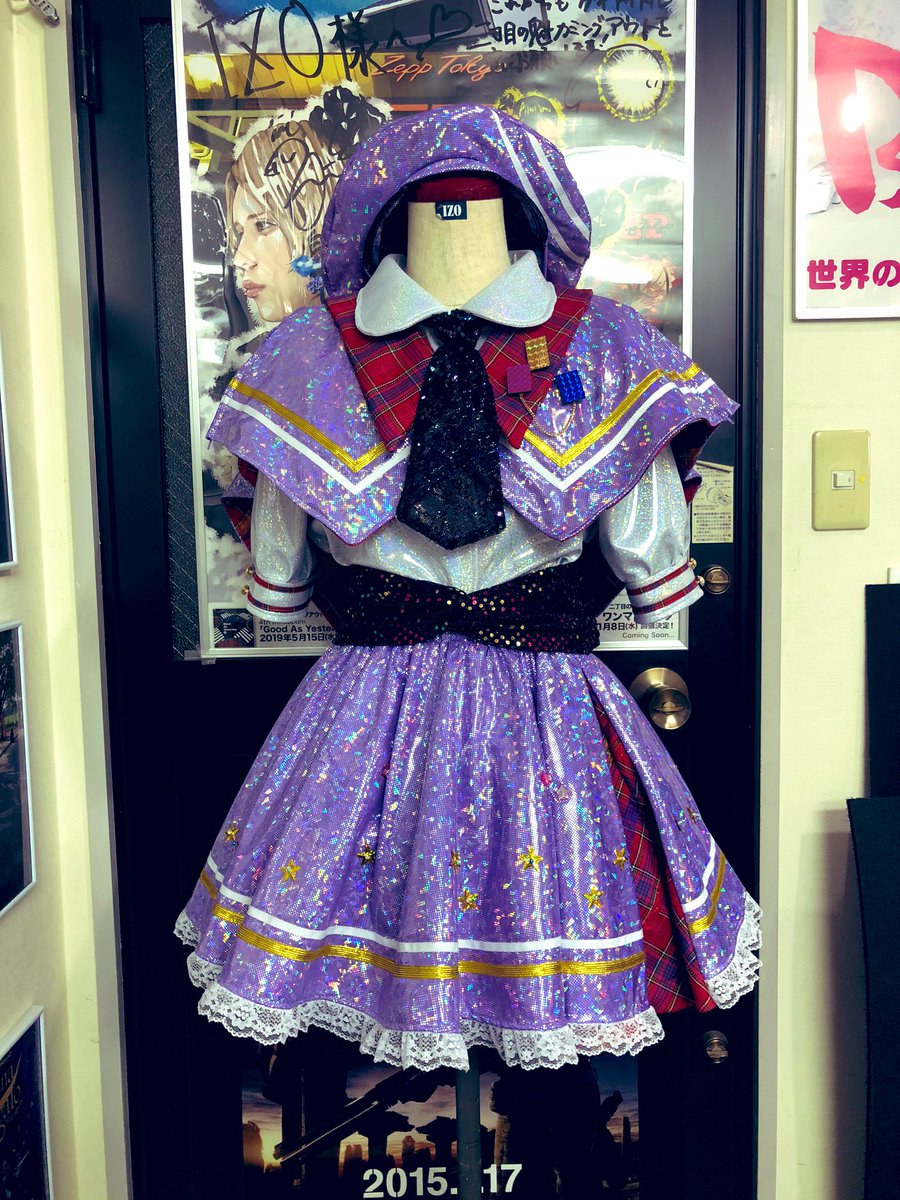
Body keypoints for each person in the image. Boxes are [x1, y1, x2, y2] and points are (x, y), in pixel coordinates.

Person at [175, 104, 760, 1072]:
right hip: (375, 720)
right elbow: (279, 565)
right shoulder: (304, 358)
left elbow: (650, 560)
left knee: (539, 933)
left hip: (536, 716)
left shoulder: (610, 349)